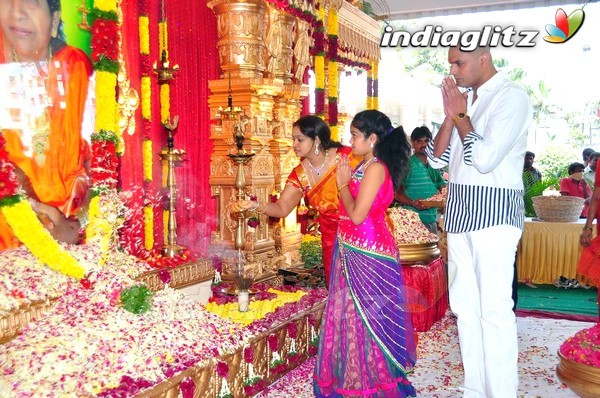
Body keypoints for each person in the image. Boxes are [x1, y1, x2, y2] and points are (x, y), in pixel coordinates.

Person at [428, 46, 532, 397]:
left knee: (494, 310)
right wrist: (450, 114)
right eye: (451, 64)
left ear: (484, 59)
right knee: (465, 310)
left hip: (493, 217)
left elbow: (485, 159)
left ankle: (501, 393)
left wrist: (461, 116)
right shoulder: (465, 101)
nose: (454, 70)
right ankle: (475, 388)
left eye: (461, 62)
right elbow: (436, 159)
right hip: (459, 216)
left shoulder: (511, 98)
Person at [313, 109, 417, 397]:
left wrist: (343, 185)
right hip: (354, 247)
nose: (351, 140)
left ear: (372, 138)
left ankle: (372, 380)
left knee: (365, 315)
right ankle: (354, 374)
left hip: (369, 251)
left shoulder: (375, 168)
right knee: (352, 313)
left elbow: (358, 214)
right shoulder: (365, 164)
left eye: (356, 135)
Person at [0, 0, 93, 250]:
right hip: (9, 227)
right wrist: (36, 211)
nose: (17, 13)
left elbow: (97, 158)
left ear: (54, 19)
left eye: (31, 3)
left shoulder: (75, 67)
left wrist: (77, 222)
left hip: (73, 223)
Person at [231, 115, 359, 287]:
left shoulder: (346, 157)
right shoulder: (300, 173)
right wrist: (256, 205)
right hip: (332, 240)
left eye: (300, 139)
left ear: (318, 140)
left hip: (359, 230)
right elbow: (282, 208)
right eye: (293, 139)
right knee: (338, 291)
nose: (294, 145)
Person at [394, 125, 446, 233]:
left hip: (432, 219)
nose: (424, 144)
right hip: (413, 221)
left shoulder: (434, 163)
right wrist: (413, 203)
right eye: (419, 141)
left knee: (433, 249)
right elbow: (397, 194)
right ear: (413, 143)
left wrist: (446, 199)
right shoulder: (408, 164)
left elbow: (441, 185)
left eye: (427, 141)